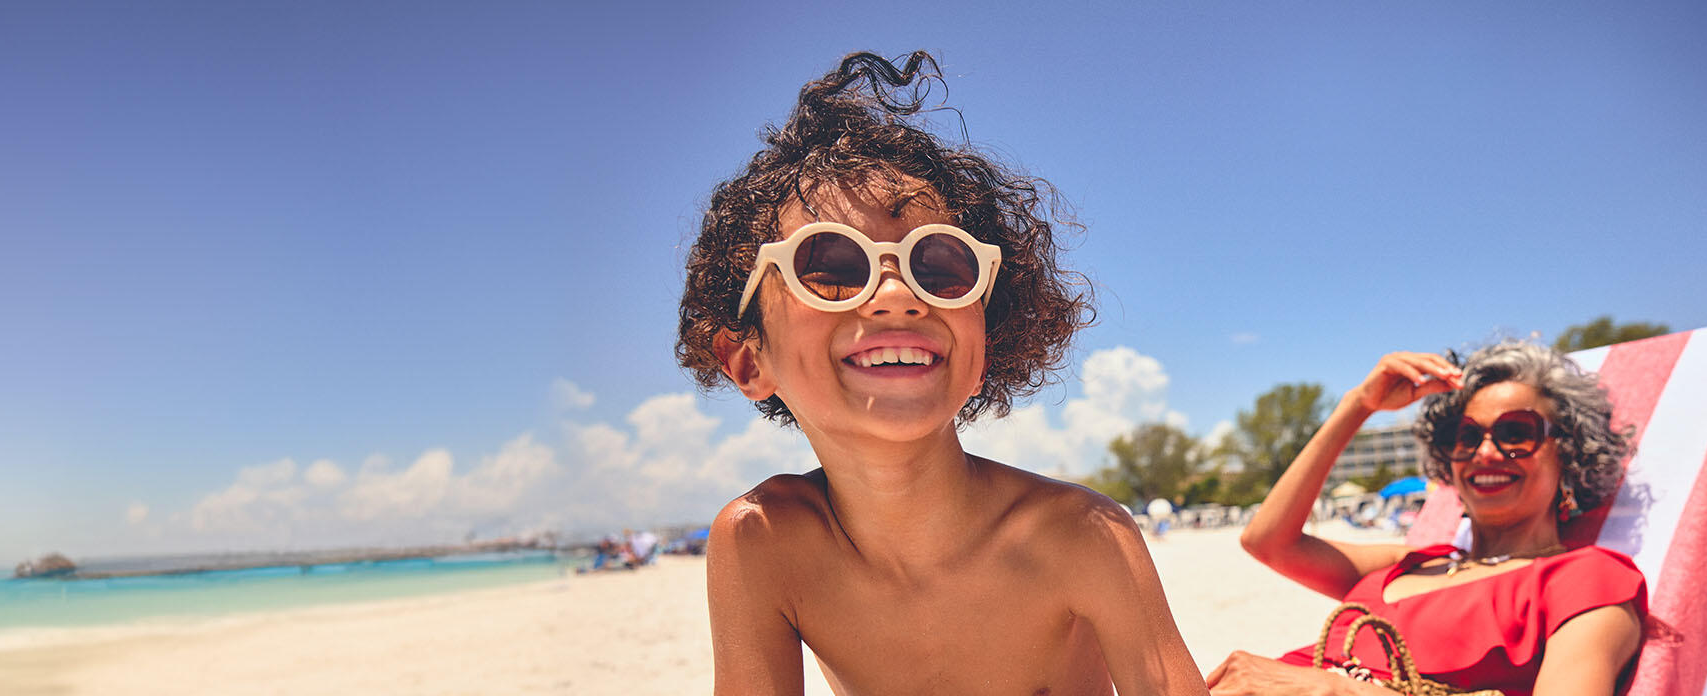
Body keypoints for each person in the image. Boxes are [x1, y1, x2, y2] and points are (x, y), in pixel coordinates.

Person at [677, 51, 1205, 696]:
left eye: (942, 268)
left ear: (983, 346)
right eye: (833, 264)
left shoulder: (1082, 536)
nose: (898, 294)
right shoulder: (762, 540)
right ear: (747, 360)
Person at [1207, 343, 1647, 696]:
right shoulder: (1408, 562)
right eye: (1467, 437)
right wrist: (1358, 405)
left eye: (1516, 432)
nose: (1486, 452)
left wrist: (1339, 691)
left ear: (1569, 452)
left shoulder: (1585, 581)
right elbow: (1267, 541)